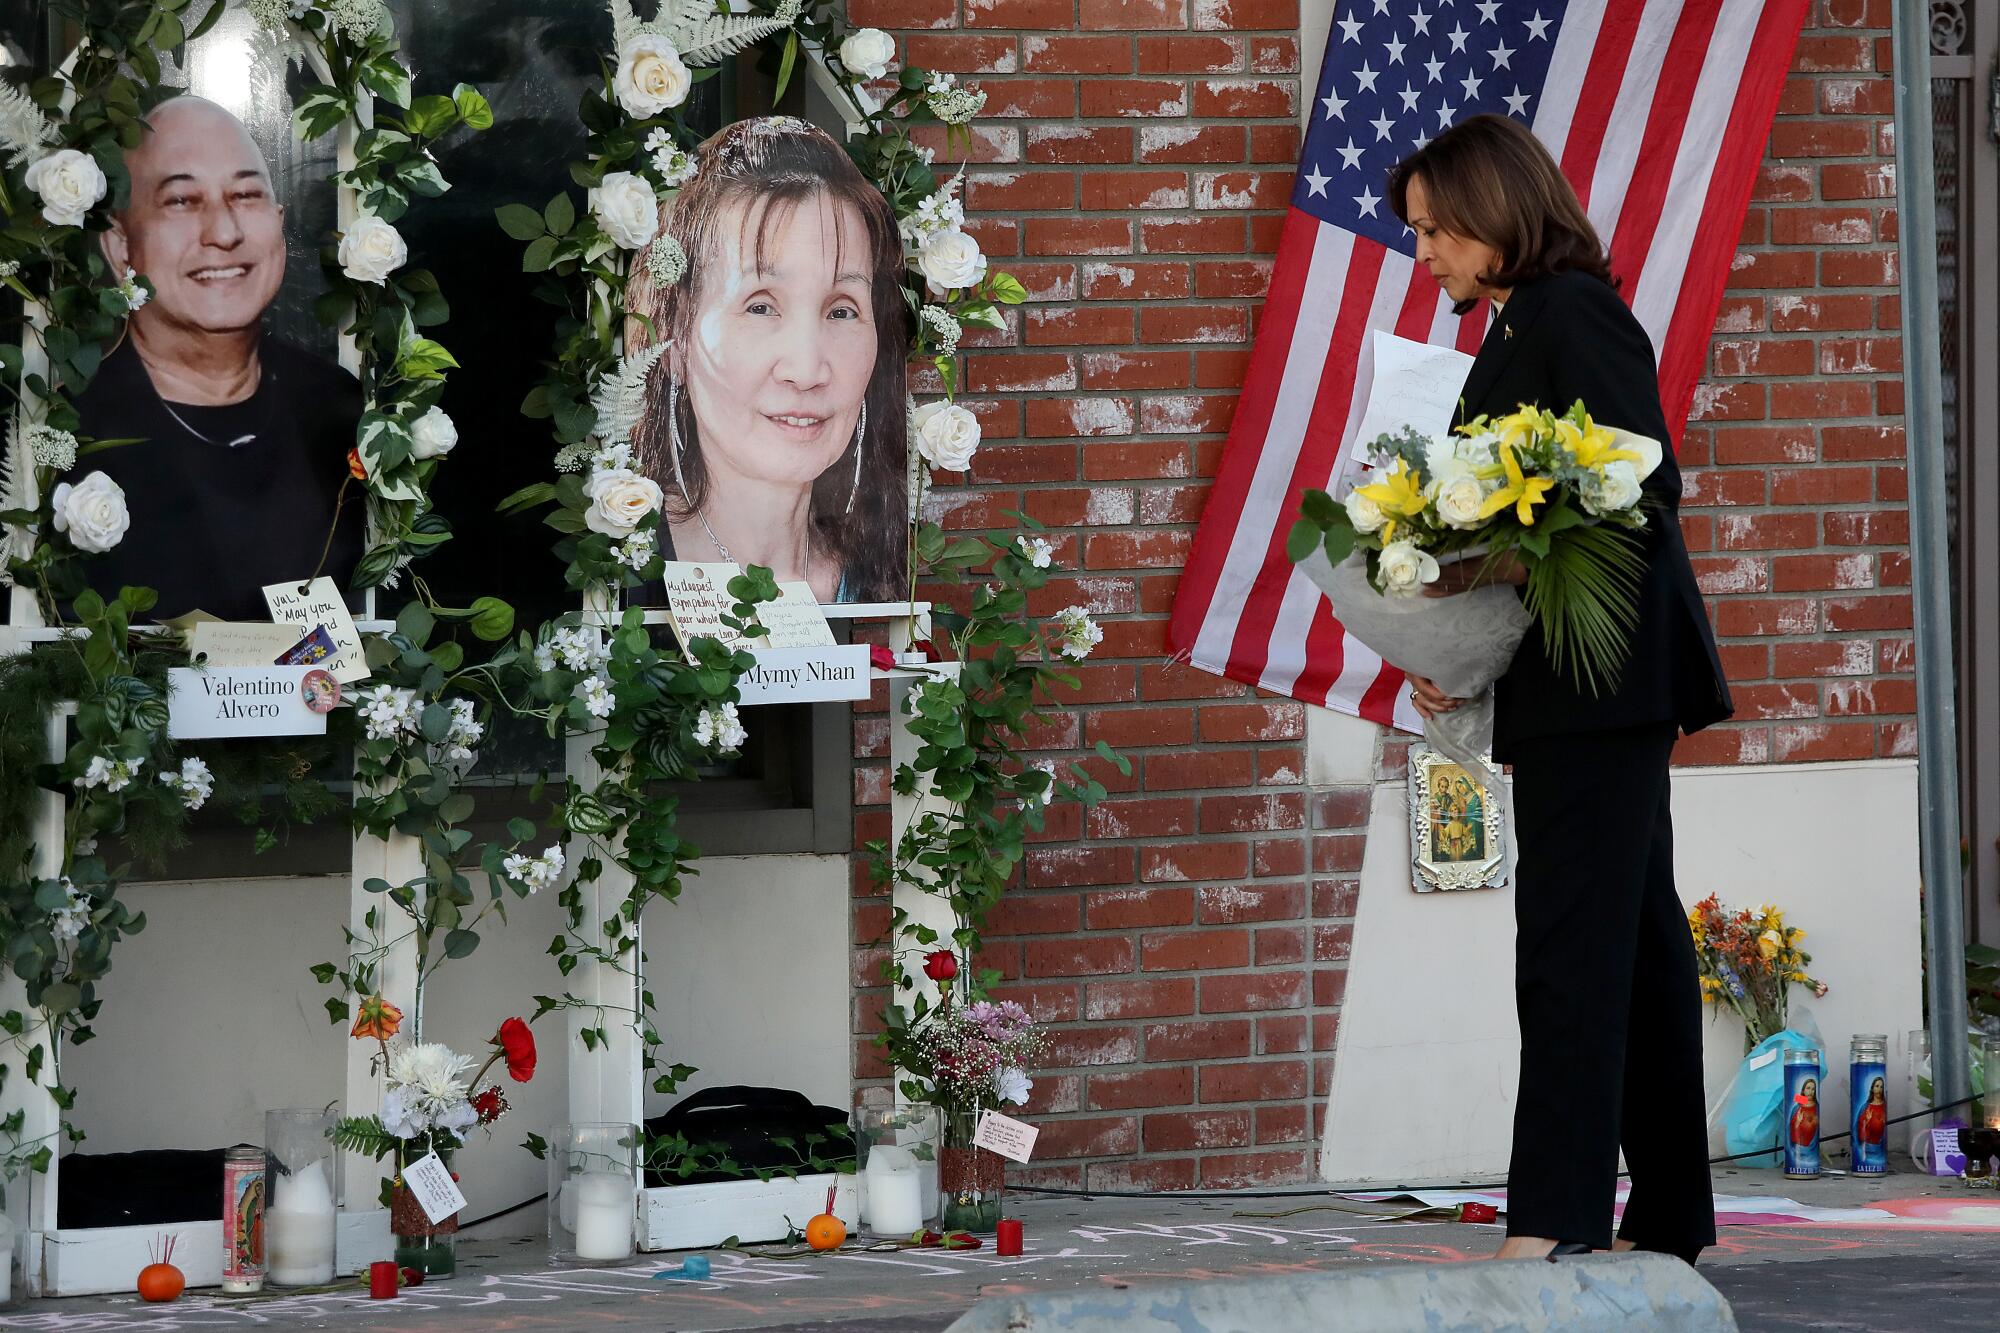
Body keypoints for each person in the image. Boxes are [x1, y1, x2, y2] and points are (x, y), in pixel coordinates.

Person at [1388, 114, 1732, 1265]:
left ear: (1496, 215)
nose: (1425, 251)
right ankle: (1673, 1215)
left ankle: (1552, 1216)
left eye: (1437, 229)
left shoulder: (1573, 312)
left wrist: (1476, 559)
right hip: (1577, 680)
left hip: (1604, 680)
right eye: (1418, 232)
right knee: (1630, 942)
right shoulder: (1519, 321)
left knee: (1570, 950)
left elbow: (1640, 480)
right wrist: (1460, 635)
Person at [72, 95, 362, 622]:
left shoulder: (336, 405)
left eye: (246, 194)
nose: (224, 233)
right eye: (182, 201)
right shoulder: (71, 430)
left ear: (278, 224)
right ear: (120, 247)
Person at [626, 116, 909, 604]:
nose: (806, 370)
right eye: (760, 306)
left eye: (842, 310)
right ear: (671, 336)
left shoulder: (882, 581)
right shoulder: (616, 577)